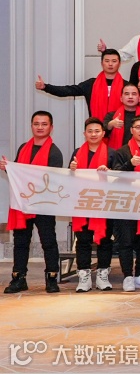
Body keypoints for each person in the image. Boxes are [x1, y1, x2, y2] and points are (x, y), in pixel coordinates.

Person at [1, 111, 64, 294]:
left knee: (48, 241)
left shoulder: (54, 152)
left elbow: (53, 180)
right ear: (31, 126)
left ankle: (51, 279)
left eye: (44, 124)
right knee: (20, 242)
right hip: (23, 204)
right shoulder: (23, 147)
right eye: (36, 124)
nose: (40, 127)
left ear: (51, 127)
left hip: (44, 204)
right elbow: (19, 175)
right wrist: (8, 168)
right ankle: (19, 278)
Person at [109, 114, 140, 292]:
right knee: (126, 242)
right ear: (131, 130)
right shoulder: (123, 151)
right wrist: (130, 164)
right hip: (126, 203)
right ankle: (127, 277)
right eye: (138, 127)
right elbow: (116, 176)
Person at [68, 118, 117, 292]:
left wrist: (109, 173)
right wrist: (71, 170)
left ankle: (103, 276)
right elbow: (68, 179)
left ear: (103, 133)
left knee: (104, 240)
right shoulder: (77, 152)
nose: (93, 134)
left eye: (97, 131)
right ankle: (84, 276)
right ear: (84, 134)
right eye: (90, 131)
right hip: (82, 203)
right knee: (83, 241)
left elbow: (119, 180)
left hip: (104, 204)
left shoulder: (112, 153)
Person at [36, 49, 124, 119]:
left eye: (114, 61)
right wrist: (46, 87)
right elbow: (68, 91)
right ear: (102, 63)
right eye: (107, 61)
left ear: (119, 64)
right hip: (95, 131)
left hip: (121, 131)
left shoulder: (126, 86)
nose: (110, 64)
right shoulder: (91, 84)